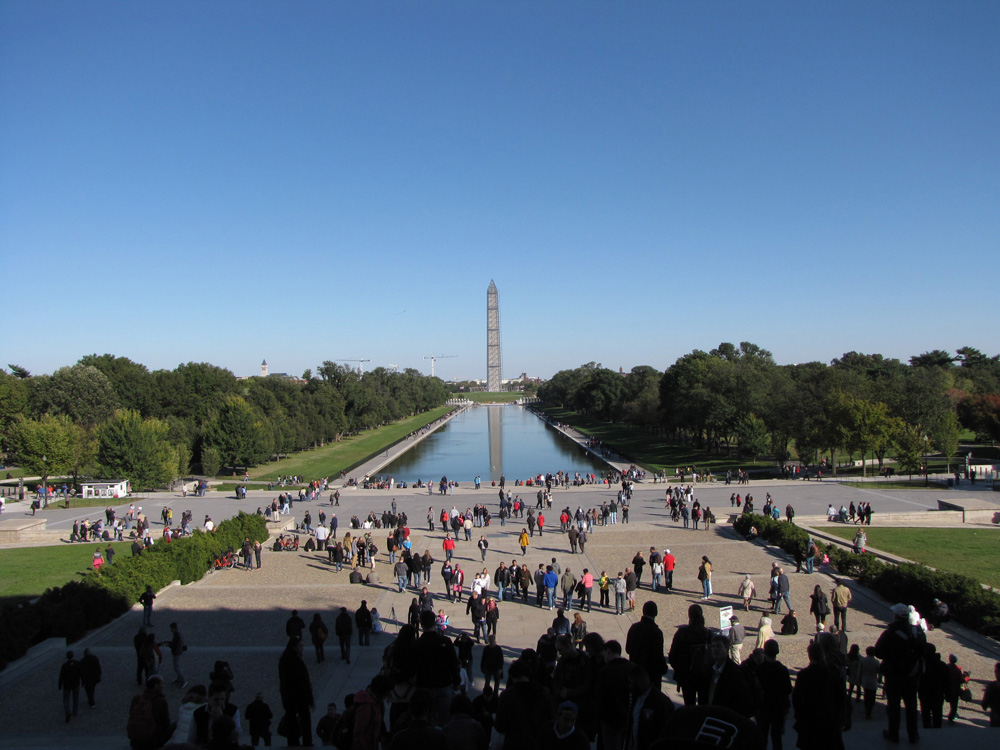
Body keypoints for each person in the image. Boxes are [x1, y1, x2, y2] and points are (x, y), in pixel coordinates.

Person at [874, 602, 927, 744]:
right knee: (911, 706)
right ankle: (913, 734)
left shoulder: (890, 633)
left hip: (894, 674)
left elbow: (879, 652)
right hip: (912, 674)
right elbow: (924, 650)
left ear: (896, 616)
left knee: (894, 706)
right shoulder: (918, 632)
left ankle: (893, 733)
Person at [792, 641, 847, 750]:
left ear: (810, 656)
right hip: (829, 721)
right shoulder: (832, 674)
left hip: (810, 722)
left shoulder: (804, 675)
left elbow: (797, 700)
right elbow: (842, 698)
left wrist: (799, 717)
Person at [669, 604, 710, 706]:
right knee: (703, 705)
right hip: (703, 676)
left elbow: (672, 656)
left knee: (689, 705)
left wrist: (680, 670)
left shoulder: (681, 633)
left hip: (686, 676)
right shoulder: (708, 634)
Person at [278, 638, 315, 746]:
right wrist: (310, 700)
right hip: (299, 698)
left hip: (288, 698)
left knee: (291, 721)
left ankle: (293, 743)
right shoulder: (297, 661)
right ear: (294, 647)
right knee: (305, 721)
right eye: (300, 646)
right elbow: (304, 683)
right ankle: (307, 743)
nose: (302, 648)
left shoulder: (284, 660)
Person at [626, 600, 668, 688]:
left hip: (636, 671)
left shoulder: (634, 628)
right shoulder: (656, 632)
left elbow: (628, 649)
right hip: (652, 674)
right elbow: (658, 654)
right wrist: (664, 668)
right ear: (656, 613)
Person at [127, 674, 173, 750]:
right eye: (162, 683)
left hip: (135, 740)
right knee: (175, 724)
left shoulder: (136, 698)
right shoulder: (161, 701)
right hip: (152, 740)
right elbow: (166, 723)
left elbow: (131, 715)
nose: (164, 686)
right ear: (156, 686)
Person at [58, 650, 81, 723]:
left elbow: (61, 676)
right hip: (76, 684)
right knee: (76, 698)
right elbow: (81, 673)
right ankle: (75, 712)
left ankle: (68, 712)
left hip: (67, 685)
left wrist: (60, 685)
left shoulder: (64, 666)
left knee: (66, 700)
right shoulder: (77, 663)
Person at [982, 661, 1000, 728]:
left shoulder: (993, 685)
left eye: (997, 671)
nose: (995, 673)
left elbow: (987, 697)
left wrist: (984, 705)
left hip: (996, 713)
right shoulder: (992, 685)